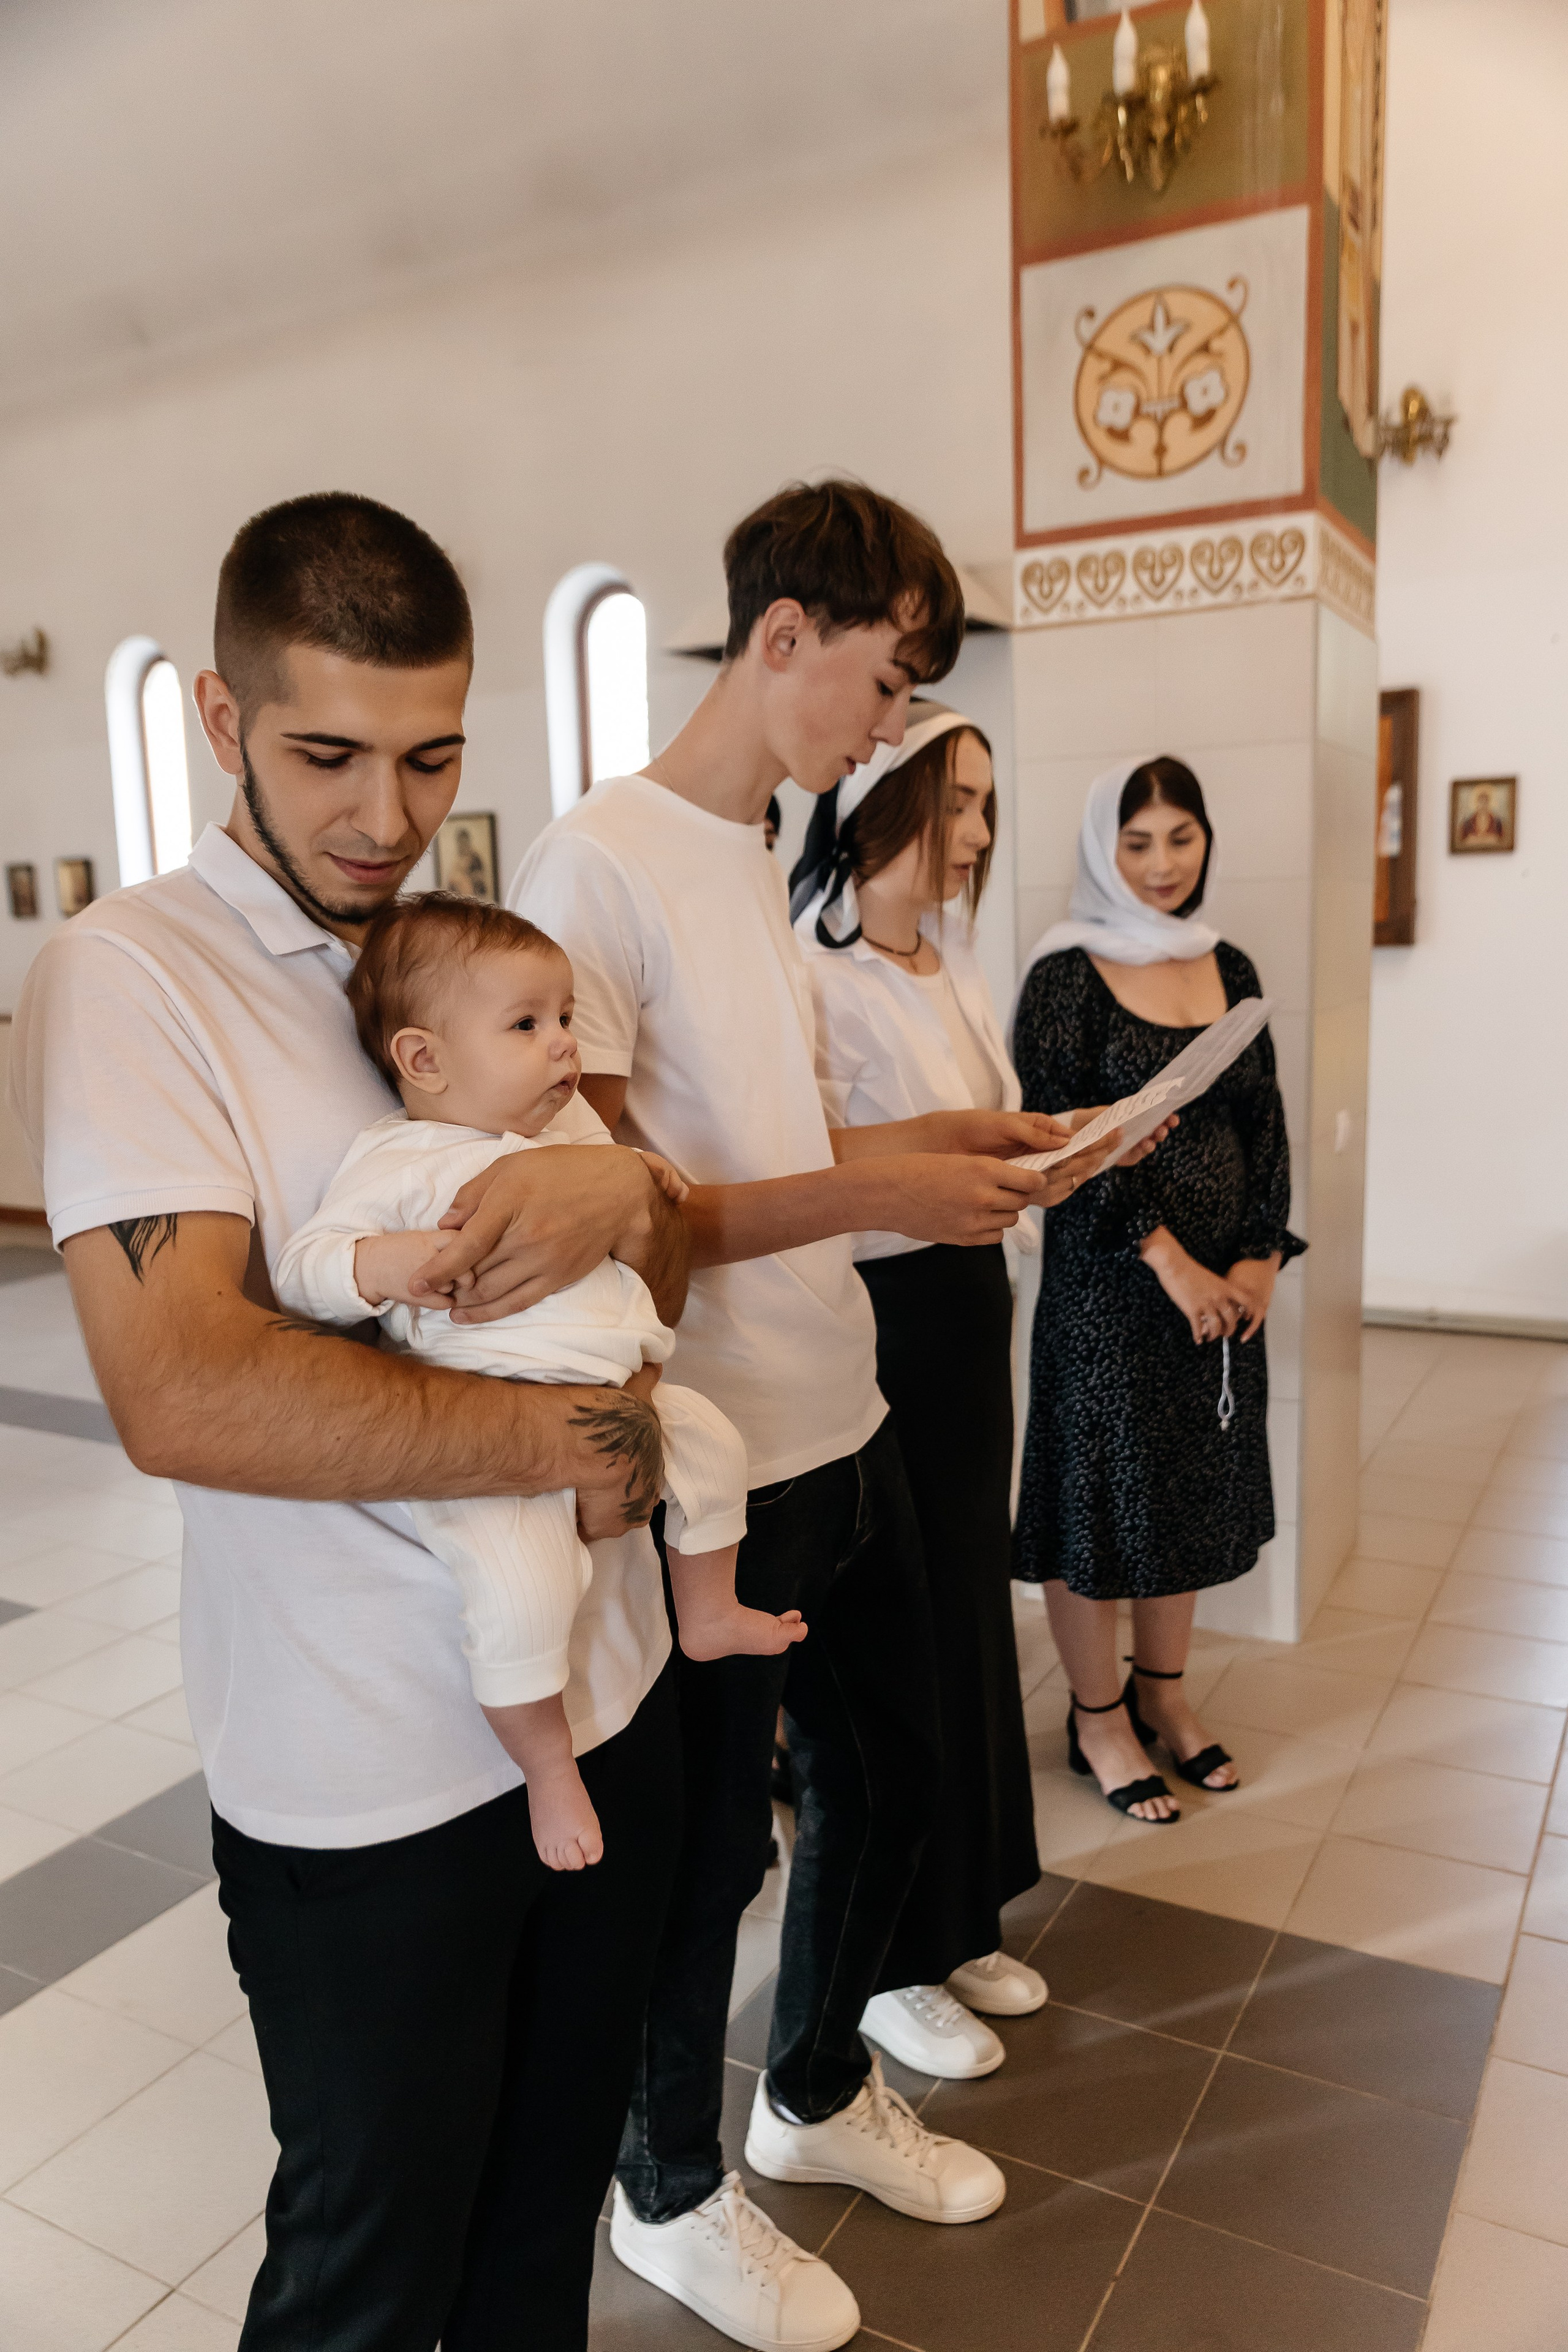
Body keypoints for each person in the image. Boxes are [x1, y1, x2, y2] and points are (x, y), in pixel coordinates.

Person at [10, 492, 690, 2351]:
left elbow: (660, 1244)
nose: (384, 817)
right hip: (364, 1774)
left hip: (605, 1697)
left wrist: (620, 1206)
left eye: (430, 753)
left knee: (547, 2216)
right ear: (224, 725)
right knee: (371, 2271)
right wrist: (592, 1443)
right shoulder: (137, 976)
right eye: (326, 755)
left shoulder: (476, 951)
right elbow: (188, 1386)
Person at [510, 480, 1109, 2351]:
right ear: (784, 637)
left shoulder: (758, 836)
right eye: (886, 672)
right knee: (711, 1860)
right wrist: (883, 1203)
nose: (894, 719)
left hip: (838, 1405)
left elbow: (766, 1144)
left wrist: (951, 1143)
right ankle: (669, 2193)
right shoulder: (593, 866)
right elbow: (629, 1219)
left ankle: (818, 2087)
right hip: (721, 1456)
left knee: (907, 1773)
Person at [276, 893, 804, 1872]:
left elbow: (642, 1216)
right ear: (424, 1059)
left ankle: (709, 1611)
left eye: (565, 1018)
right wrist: (387, 1264)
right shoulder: (399, 1160)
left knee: (713, 1446)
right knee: (524, 1594)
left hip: (619, 1399)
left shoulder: (571, 1140)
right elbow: (305, 1266)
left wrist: (648, 1179)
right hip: (489, 1449)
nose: (565, 1045)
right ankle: (548, 1763)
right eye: (528, 1025)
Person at [789, 703, 1044, 2082]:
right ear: (882, 803)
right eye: (958, 803)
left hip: (964, 1304)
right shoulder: (811, 969)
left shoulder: (941, 962)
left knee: (969, 1612)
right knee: (908, 1628)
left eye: (986, 807)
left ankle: (961, 1915)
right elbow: (815, 1162)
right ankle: (890, 1963)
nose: (977, 834)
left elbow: (968, 1128)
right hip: (881, 1317)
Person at [1011, 757, 1305, 1822]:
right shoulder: (1063, 977)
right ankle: (1098, 1721)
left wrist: (1260, 1256)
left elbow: (1262, 1127)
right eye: (1137, 843)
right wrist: (1171, 1262)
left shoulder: (1228, 961)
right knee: (1099, 1500)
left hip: (1224, 1294)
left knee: (1181, 1492)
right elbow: (1062, 1143)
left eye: (1182, 837)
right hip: (1108, 1292)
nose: (1163, 863)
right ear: (1102, 849)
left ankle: (1166, 1701)